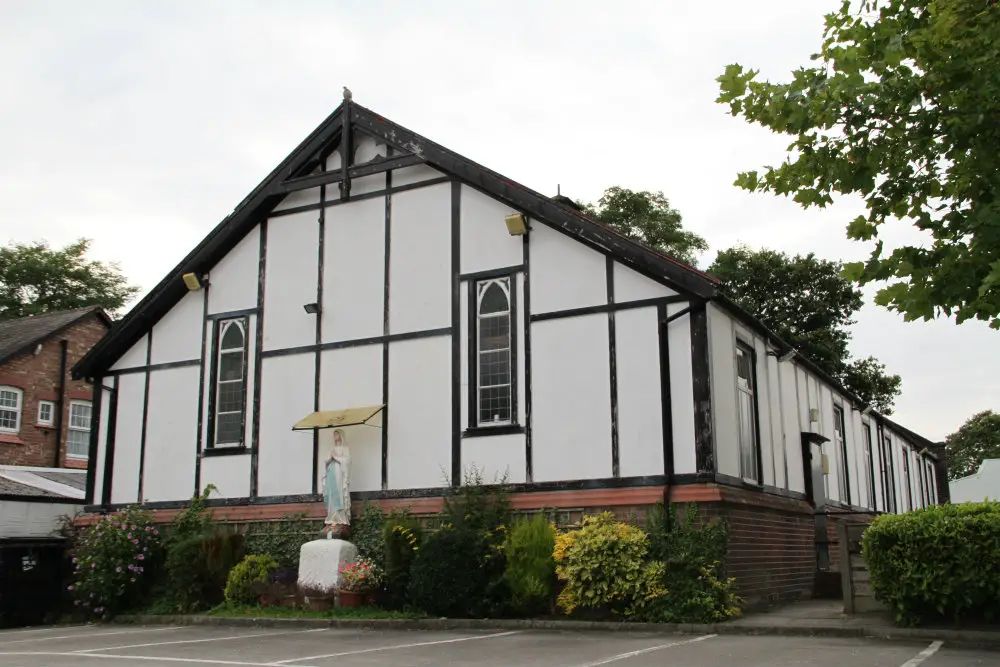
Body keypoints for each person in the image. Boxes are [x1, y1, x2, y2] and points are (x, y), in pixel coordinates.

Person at [323, 429, 351, 535]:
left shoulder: (345, 448)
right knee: (331, 494)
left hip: (339, 472)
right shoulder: (332, 448)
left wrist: (336, 458)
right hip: (331, 471)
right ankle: (332, 516)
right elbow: (326, 461)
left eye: (337, 434)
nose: (335, 436)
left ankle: (340, 517)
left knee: (339, 492)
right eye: (334, 435)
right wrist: (329, 459)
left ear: (341, 436)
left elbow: (347, 461)